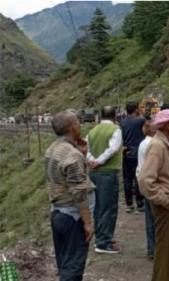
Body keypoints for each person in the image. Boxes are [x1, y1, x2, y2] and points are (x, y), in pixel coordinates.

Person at [45, 111, 95, 280]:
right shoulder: (72, 156)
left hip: (57, 213)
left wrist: (82, 153)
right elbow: (79, 193)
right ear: (73, 127)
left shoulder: (52, 149)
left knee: (64, 263)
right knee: (73, 268)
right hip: (72, 217)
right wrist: (87, 222)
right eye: (78, 122)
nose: (80, 125)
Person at [138, 109, 169, 281]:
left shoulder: (165, 143)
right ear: (166, 126)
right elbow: (145, 181)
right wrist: (165, 200)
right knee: (166, 253)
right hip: (166, 206)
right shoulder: (157, 146)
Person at [86, 106, 122, 254]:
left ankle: (101, 236)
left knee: (98, 207)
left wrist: (92, 160)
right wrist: (100, 161)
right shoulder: (115, 129)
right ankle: (103, 243)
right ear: (115, 116)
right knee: (109, 208)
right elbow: (113, 148)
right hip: (108, 173)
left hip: (94, 173)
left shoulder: (92, 131)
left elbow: (85, 148)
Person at [136, 119, 156, 259]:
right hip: (152, 183)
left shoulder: (143, 143)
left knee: (150, 218)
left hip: (144, 181)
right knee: (155, 218)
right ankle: (154, 248)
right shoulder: (152, 145)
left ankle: (151, 248)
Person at [120, 101, 146, 213]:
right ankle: (140, 204)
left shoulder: (122, 122)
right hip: (138, 153)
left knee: (127, 179)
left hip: (127, 152)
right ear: (136, 109)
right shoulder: (140, 120)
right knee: (138, 178)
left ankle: (129, 204)